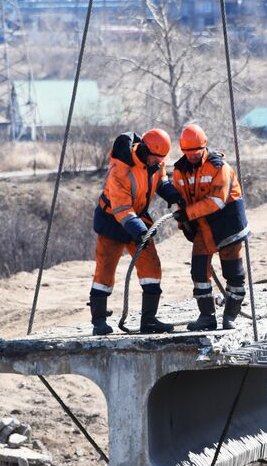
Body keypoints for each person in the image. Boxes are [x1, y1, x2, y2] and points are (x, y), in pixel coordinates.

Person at [89, 128, 183, 336]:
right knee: (105, 270)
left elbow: (161, 181)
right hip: (112, 220)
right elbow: (122, 208)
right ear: (144, 150)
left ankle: (148, 320)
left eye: (161, 159)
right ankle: (99, 322)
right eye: (155, 158)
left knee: (152, 266)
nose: (157, 162)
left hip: (137, 218)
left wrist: (174, 196)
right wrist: (139, 230)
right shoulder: (120, 169)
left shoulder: (156, 162)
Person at [172, 123, 249, 331]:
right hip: (204, 226)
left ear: (204, 147)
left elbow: (217, 201)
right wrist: (183, 221)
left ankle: (230, 316)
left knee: (234, 273)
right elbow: (181, 199)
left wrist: (187, 213)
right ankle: (206, 316)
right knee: (198, 271)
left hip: (228, 224)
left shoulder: (219, 167)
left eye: (196, 152)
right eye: (188, 152)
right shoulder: (179, 171)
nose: (192, 156)